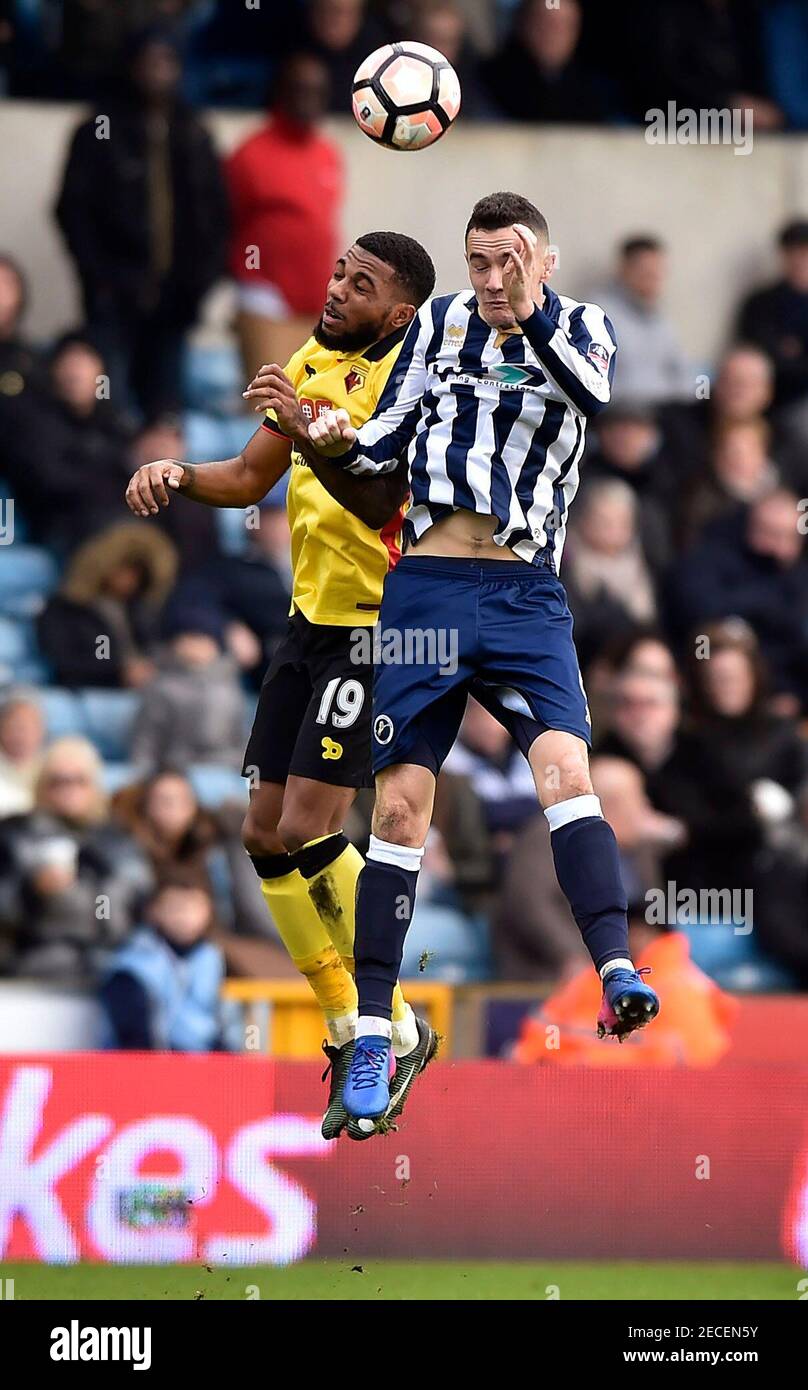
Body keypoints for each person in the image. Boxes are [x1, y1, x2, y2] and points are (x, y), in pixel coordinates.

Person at [305, 190, 661, 1125]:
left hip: (524, 594)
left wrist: (528, 313)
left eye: (511, 260)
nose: (494, 278)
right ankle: (373, 1037)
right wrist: (332, 436)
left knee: (567, 772)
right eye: (479, 261)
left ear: (544, 260)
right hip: (426, 588)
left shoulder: (582, 327)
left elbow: (591, 396)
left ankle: (615, 967)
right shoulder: (436, 325)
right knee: (401, 806)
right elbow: (388, 436)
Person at [125, 230, 437, 1140]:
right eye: (339, 271)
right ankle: (354, 1027)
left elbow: (383, 501)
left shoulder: (408, 387)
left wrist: (313, 432)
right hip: (307, 628)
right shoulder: (308, 361)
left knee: (308, 825)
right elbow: (249, 477)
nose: (336, 289)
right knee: (262, 833)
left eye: (361, 284)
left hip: (377, 630)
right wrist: (179, 474)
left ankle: (389, 1019)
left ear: (400, 313)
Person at [54, 27, 228, 419]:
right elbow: (73, 212)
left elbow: (215, 216)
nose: (158, 72)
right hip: (113, 297)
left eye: (167, 62)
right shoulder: (99, 129)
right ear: (131, 65)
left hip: (176, 300)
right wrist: (100, 279)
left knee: (166, 414)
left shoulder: (194, 131)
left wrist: (200, 283)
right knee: (108, 409)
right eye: (149, 62)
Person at [226, 52, 343, 380]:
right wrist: (248, 277)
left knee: (310, 398)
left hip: (317, 300)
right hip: (266, 297)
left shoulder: (327, 153)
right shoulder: (251, 153)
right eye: (300, 89)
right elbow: (227, 221)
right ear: (281, 91)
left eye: (317, 91)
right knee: (269, 397)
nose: (309, 99)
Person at [0, 736, 149, 983]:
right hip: (31, 963)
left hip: (105, 964)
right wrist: (32, 891)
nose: (68, 790)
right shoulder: (13, 833)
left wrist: (100, 896)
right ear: (40, 785)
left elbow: (133, 906)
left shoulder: (116, 839)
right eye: (58, 781)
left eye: (79, 781)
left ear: (95, 786)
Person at [100, 874, 240, 1051]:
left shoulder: (212, 958)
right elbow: (133, 1037)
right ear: (153, 911)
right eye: (175, 908)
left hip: (204, 1062)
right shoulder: (132, 967)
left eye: (194, 908)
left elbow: (225, 1023)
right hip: (149, 1063)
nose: (185, 917)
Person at [37, 521, 177, 689]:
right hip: (93, 689)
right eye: (126, 569)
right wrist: (119, 671)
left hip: (147, 686)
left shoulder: (137, 609)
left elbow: (151, 648)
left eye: (138, 574)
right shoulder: (64, 609)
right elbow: (65, 661)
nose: (130, 580)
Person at [131, 603, 247, 771]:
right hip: (177, 772)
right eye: (190, 637)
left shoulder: (230, 687)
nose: (196, 646)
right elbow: (145, 744)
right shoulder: (160, 688)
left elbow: (241, 741)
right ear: (175, 644)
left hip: (225, 772)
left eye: (203, 638)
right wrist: (142, 777)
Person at [595, 236, 692, 406]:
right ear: (624, 270)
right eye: (647, 272)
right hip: (619, 412)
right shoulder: (597, 315)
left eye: (658, 273)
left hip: (663, 410)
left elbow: (682, 373)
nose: (655, 280)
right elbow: (595, 384)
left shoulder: (659, 319)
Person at [736, 218, 808, 411]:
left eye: (805, 252)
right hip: (774, 400)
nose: (800, 260)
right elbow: (759, 355)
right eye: (794, 252)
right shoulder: (761, 303)